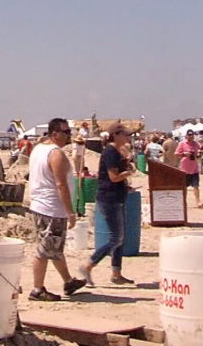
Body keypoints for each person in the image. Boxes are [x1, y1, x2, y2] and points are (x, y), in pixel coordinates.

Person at [26, 118, 87, 301]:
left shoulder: (39, 149)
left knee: (54, 247)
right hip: (51, 208)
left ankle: (68, 281)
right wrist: (70, 212)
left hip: (41, 205)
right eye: (66, 132)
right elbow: (61, 185)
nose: (69, 135)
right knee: (45, 249)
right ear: (55, 134)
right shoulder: (55, 154)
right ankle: (37, 289)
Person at [79, 122, 137, 286]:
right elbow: (113, 177)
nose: (128, 137)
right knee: (116, 238)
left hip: (116, 196)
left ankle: (116, 273)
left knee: (120, 236)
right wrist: (128, 173)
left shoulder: (116, 151)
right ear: (117, 135)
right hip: (109, 198)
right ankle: (88, 265)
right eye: (126, 135)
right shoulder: (110, 152)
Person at [176, 129, 203, 208]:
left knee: (196, 186)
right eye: (189, 135)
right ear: (186, 136)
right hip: (184, 169)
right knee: (184, 187)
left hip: (194, 168)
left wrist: (199, 154)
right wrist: (184, 154)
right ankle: (184, 202)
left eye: (192, 135)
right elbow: (176, 154)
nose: (190, 136)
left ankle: (198, 202)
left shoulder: (196, 144)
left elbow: (201, 150)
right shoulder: (182, 143)